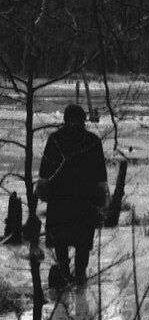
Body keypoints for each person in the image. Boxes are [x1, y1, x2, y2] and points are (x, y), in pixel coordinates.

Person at [36, 104, 108, 288]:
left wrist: (45, 193)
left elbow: (45, 174)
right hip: (85, 203)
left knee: (61, 242)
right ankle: (80, 277)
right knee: (82, 243)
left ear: (65, 120)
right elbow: (100, 176)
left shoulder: (55, 140)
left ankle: (64, 273)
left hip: (60, 202)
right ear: (84, 120)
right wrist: (102, 202)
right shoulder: (92, 141)